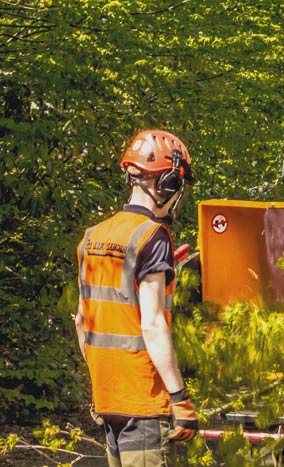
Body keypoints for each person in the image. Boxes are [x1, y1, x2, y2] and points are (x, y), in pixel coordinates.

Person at [75, 130, 197, 466]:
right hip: (144, 401)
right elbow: (153, 323)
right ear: (168, 184)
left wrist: (105, 378)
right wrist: (178, 396)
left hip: (107, 398)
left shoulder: (92, 237)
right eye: (177, 187)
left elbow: (82, 322)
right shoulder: (152, 237)